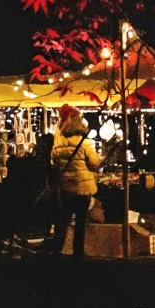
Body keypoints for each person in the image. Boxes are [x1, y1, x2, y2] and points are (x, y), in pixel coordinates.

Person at [49, 105, 103, 259]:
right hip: (82, 187)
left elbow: (54, 160)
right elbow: (94, 163)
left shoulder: (58, 141)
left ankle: (56, 250)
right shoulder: (85, 142)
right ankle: (78, 253)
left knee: (63, 221)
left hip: (65, 186)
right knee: (80, 222)